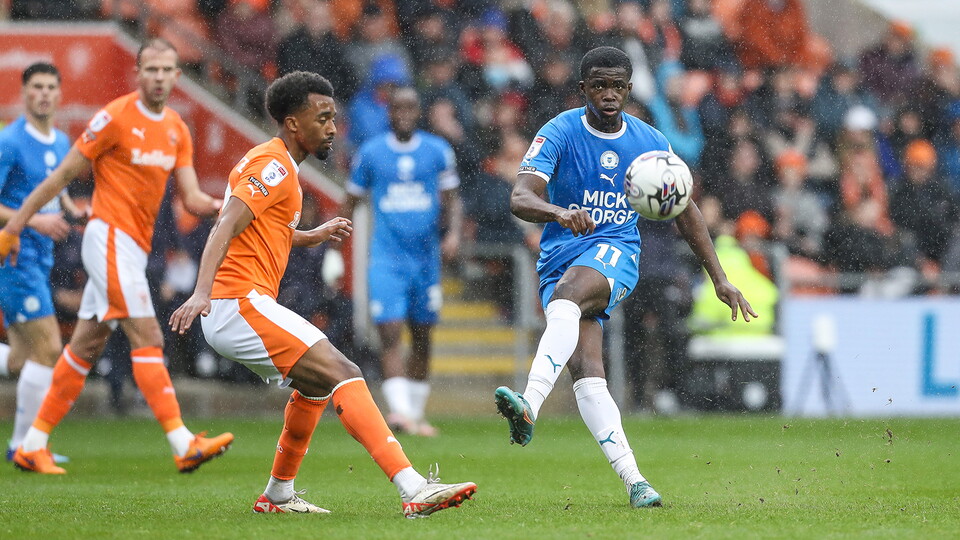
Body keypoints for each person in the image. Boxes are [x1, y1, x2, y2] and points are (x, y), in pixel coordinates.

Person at [168, 71, 476, 516]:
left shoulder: (282, 169)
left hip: (241, 304)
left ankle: (277, 494)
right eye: (323, 117)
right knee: (344, 369)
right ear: (294, 123)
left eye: (334, 117)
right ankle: (412, 488)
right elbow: (225, 225)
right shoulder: (272, 166)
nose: (333, 127)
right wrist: (201, 292)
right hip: (236, 303)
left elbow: (266, 229)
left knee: (314, 388)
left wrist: (311, 235)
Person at [493, 46, 756, 508]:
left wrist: (719, 278)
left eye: (617, 86)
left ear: (630, 90)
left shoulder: (651, 142)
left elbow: (686, 210)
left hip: (617, 251)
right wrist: (558, 210)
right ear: (583, 89)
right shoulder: (559, 132)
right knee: (588, 373)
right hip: (560, 254)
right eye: (599, 85)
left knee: (568, 299)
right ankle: (637, 482)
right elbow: (520, 196)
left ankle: (529, 403)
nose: (609, 94)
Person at [0, 39, 232, 474]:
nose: (159, 77)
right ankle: (183, 442)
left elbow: (192, 196)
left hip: (133, 249)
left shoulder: (177, 129)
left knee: (84, 347)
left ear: (177, 76)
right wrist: (15, 225)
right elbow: (62, 177)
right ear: (138, 72)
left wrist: (227, 205)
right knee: (148, 336)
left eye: (167, 70)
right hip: (107, 239)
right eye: (151, 69)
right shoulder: (114, 117)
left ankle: (32, 443)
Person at [340, 87, 463, 436]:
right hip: (386, 258)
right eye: (398, 109)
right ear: (389, 113)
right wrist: (335, 249)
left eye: (410, 108)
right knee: (390, 331)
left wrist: (452, 233)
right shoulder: (371, 153)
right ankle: (400, 413)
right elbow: (349, 202)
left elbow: (453, 199)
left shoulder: (437, 151)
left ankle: (416, 415)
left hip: (426, 259)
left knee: (423, 334)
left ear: (418, 111)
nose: (404, 114)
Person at [0, 63, 73, 462]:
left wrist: (69, 209)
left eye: (50, 86)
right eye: (36, 87)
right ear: (25, 92)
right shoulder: (9, 141)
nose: (44, 93)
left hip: (40, 259)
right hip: (14, 257)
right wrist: (35, 219)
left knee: (20, 359)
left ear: (59, 93)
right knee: (49, 348)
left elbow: (53, 189)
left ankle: (24, 444)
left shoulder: (61, 141)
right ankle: (24, 446)